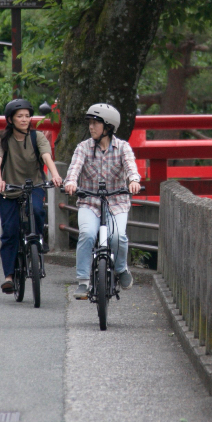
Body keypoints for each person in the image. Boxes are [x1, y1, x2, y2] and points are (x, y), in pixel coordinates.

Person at [62, 103, 141, 300]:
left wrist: (134, 181)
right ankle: (83, 281)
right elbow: (74, 169)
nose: (91, 127)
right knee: (87, 234)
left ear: (108, 127)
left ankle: (121, 269)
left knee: (117, 237)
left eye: (96, 123)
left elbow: (131, 167)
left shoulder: (123, 147)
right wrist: (71, 182)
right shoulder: (83, 148)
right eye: (90, 123)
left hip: (117, 202)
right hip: (89, 202)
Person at [0, 98, 63, 294]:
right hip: (9, 189)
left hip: (34, 186)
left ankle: (37, 239)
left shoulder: (36, 137)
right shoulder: (1, 141)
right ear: (10, 119)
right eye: (19, 116)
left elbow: (47, 156)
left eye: (27, 116)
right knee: (10, 231)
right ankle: (9, 276)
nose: (24, 119)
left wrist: (55, 175)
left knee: (38, 211)